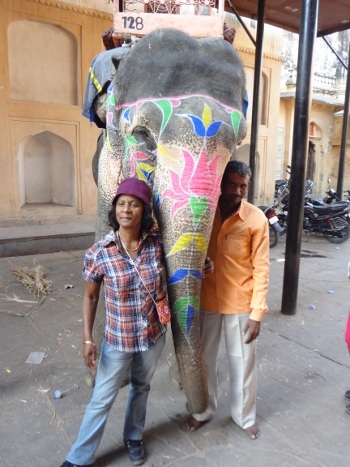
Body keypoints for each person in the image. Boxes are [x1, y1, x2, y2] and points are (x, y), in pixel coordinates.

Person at [61, 178, 168, 467]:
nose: (126, 209)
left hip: (152, 335)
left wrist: (202, 265)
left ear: (143, 211)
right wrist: (87, 338)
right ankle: (79, 457)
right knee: (102, 397)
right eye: (121, 204)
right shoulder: (100, 252)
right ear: (115, 210)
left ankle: (133, 437)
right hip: (118, 341)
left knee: (141, 387)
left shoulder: (157, 245)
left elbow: (179, 272)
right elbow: (91, 297)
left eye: (134, 204)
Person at [187, 160, 270, 440]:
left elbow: (262, 267)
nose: (237, 190)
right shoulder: (204, 214)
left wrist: (258, 312)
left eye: (243, 186)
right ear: (221, 184)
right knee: (204, 361)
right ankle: (202, 411)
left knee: (243, 362)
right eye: (232, 184)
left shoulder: (256, 219)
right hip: (206, 299)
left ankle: (244, 417)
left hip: (241, 302)